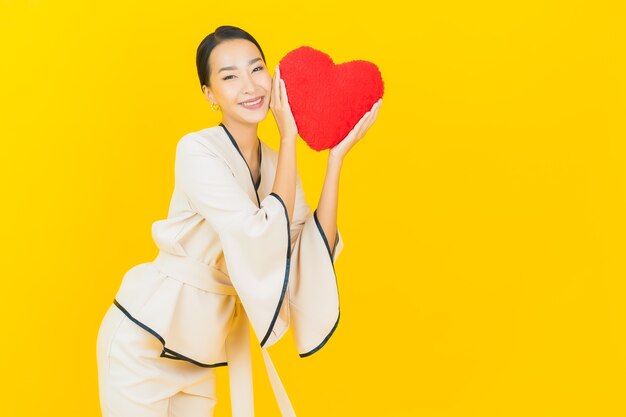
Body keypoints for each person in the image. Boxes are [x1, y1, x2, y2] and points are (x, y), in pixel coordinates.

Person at [95, 25, 382, 417]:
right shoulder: (195, 150)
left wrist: (336, 159)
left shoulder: (279, 163)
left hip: (201, 353)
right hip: (143, 343)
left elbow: (304, 252)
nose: (249, 86)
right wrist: (288, 139)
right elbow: (257, 233)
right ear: (210, 95)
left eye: (257, 69)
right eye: (229, 77)